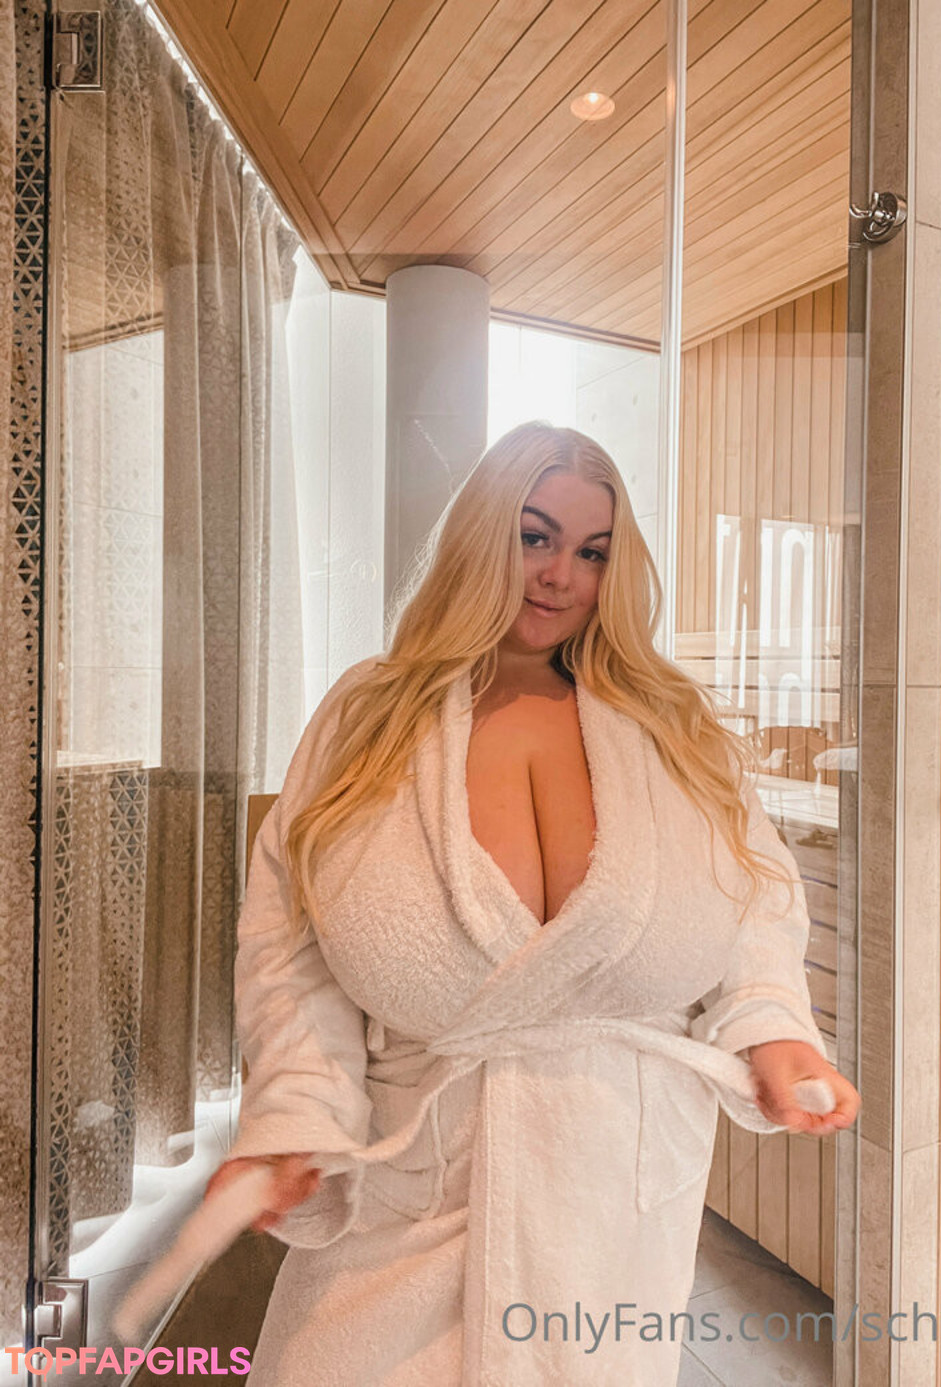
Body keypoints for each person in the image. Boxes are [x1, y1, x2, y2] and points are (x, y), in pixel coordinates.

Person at [205, 422, 860, 1387]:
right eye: (534, 536)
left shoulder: (671, 726)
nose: (561, 575)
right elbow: (290, 941)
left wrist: (771, 1026)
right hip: (418, 1185)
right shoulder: (369, 715)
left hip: (613, 1193)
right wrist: (298, 1105)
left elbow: (756, 896)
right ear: (482, 535)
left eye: (593, 551)